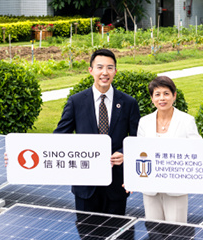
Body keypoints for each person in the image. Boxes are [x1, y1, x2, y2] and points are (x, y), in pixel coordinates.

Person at [54, 48, 140, 215]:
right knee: (87, 237)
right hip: (85, 185)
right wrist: (18, 154)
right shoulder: (76, 101)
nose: (104, 72)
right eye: (100, 67)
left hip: (116, 185)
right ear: (91, 70)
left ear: (115, 71)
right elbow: (58, 138)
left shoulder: (129, 103)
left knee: (118, 239)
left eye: (109, 67)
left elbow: (138, 139)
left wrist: (125, 153)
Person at [137, 76, 201, 222]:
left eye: (166, 93)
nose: (162, 98)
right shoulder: (144, 122)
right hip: (151, 188)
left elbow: (198, 150)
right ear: (152, 98)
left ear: (174, 96)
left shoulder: (186, 120)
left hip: (176, 188)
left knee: (177, 234)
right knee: (154, 232)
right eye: (157, 94)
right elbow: (138, 152)